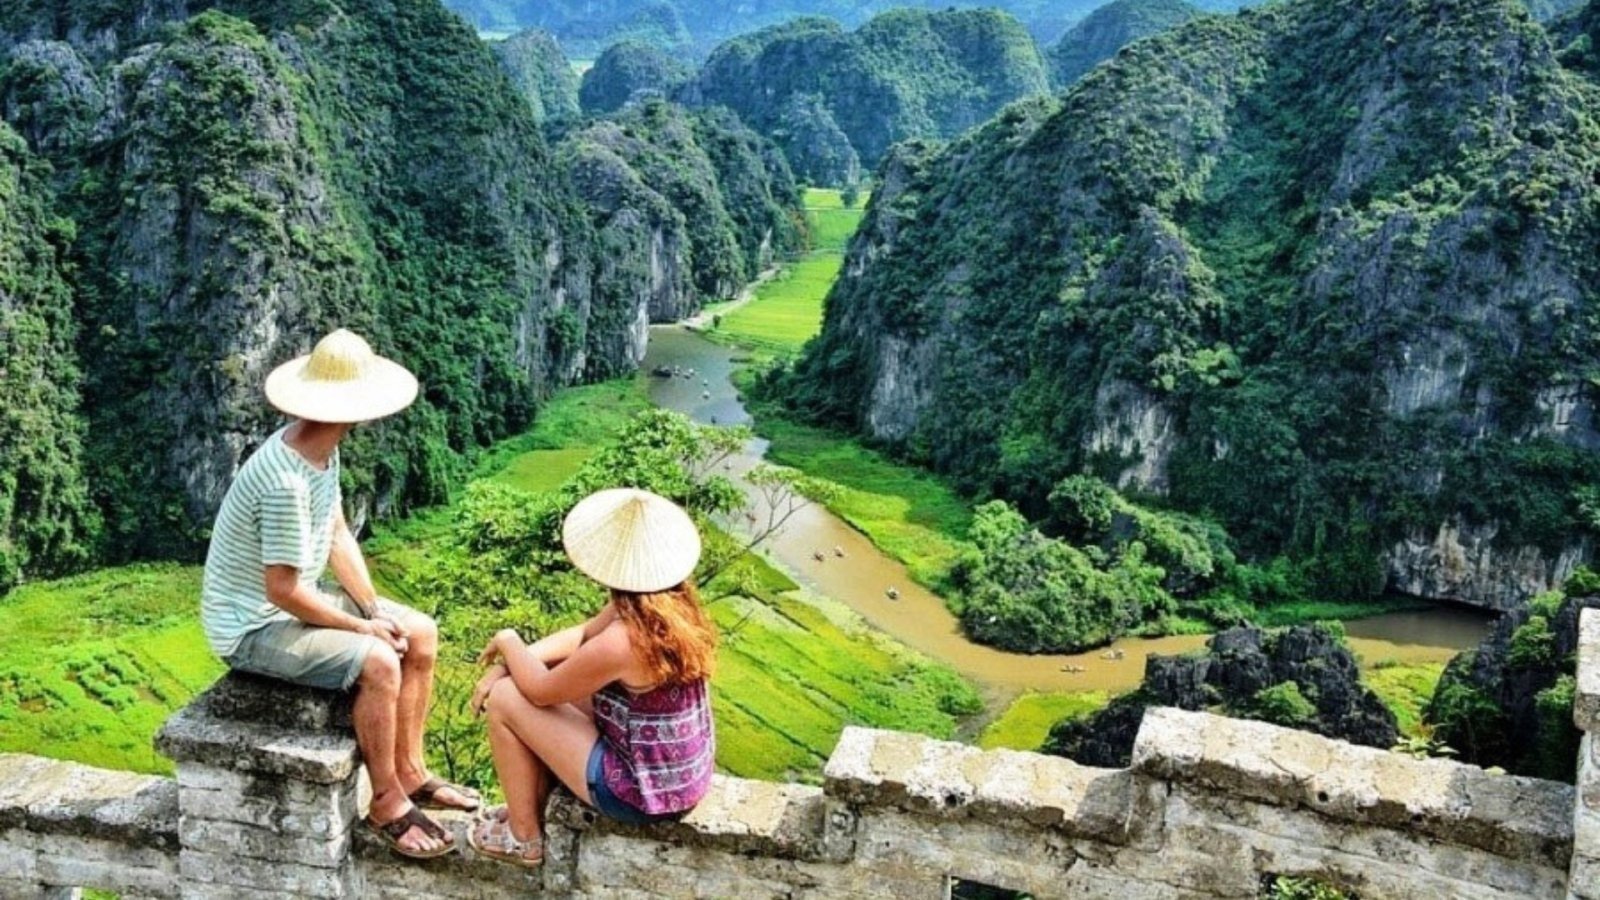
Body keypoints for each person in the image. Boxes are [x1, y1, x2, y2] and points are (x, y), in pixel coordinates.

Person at [200, 329, 478, 861]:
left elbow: (336, 534)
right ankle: (387, 802)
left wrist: (373, 609)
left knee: (419, 632)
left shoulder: (320, 451)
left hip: (293, 602)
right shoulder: (285, 482)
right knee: (379, 662)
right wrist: (362, 629)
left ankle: (411, 771)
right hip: (252, 627)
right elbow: (281, 591)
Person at [468, 488, 718, 867]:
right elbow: (583, 635)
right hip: (677, 778)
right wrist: (515, 662)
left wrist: (508, 642)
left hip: (639, 794)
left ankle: (523, 838)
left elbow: (540, 691)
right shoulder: (668, 608)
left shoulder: (626, 639)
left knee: (506, 698)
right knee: (540, 680)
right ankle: (530, 803)